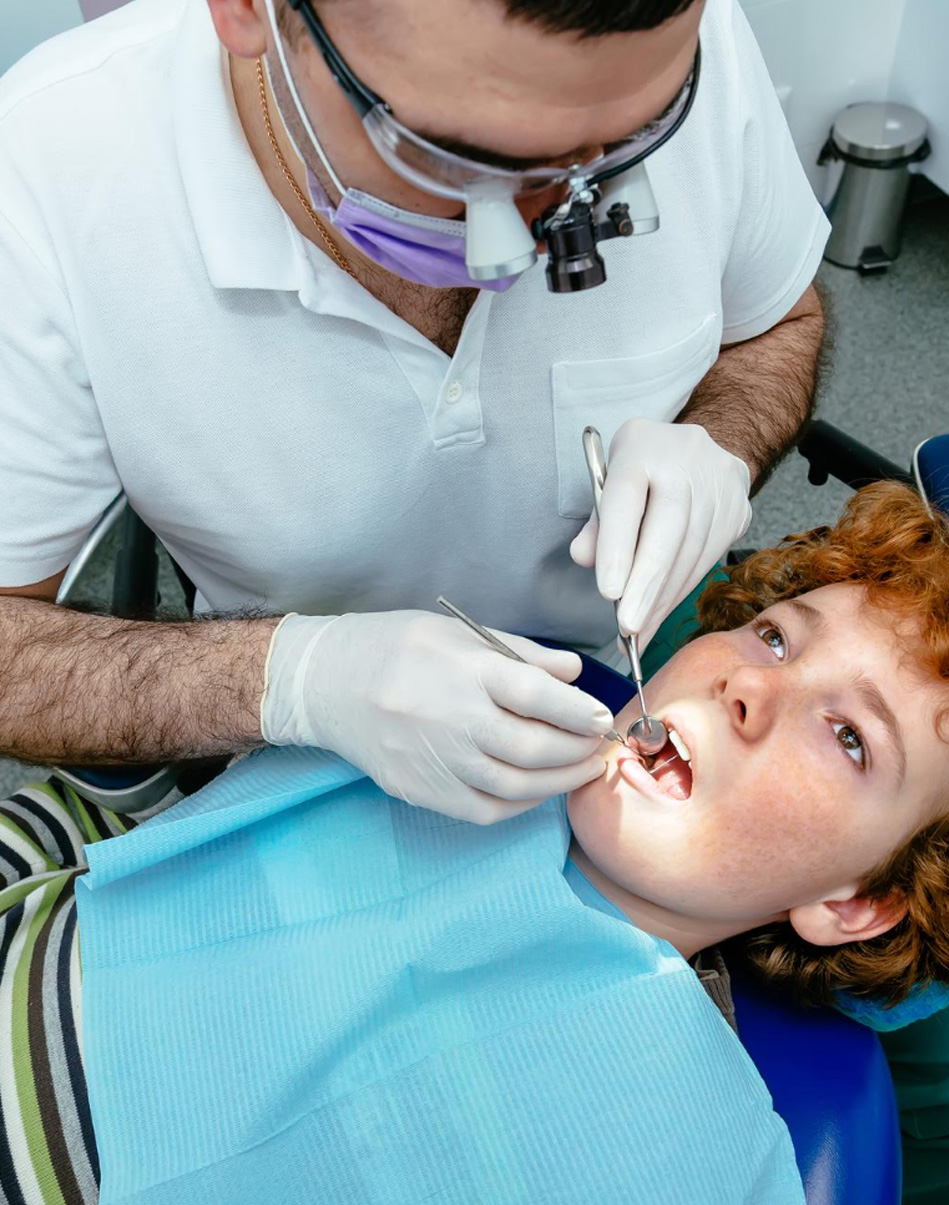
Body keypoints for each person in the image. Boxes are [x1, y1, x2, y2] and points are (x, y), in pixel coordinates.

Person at [2, 481, 949, 1204]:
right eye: (777, 635)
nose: (751, 683)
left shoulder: (713, 1159)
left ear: (854, 902)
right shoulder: (411, 722)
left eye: (850, 735)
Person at [0, 0, 827, 821]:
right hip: (293, 749)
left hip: (603, 663)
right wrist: (291, 680)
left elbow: (781, 322)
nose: (561, 220)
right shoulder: (47, 172)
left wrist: (719, 440)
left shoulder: (674, 43)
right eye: (458, 158)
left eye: (622, 145)